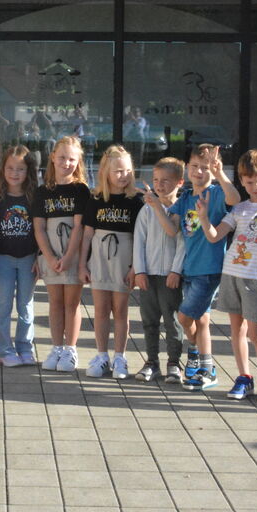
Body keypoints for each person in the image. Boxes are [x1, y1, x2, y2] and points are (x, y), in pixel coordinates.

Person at [144, 144, 240, 391]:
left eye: (205, 167)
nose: (199, 171)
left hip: (209, 269)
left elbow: (235, 199)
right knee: (198, 318)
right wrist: (156, 206)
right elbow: (172, 229)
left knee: (186, 316)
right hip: (189, 269)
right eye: (195, 166)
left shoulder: (215, 193)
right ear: (187, 168)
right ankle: (200, 361)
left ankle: (203, 362)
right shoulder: (186, 197)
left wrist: (219, 173)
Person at [198, 150, 257, 404]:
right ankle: (244, 377)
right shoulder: (239, 208)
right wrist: (204, 217)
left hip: (256, 277)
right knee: (236, 330)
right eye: (249, 182)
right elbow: (215, 236)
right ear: (242, 181)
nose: (256, 187)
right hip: (232, 273)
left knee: (256, 334)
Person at [80, 145, 143, 380]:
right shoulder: (96, 199)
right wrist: (82, 264)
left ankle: (120, 357)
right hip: (99, 262)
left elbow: (140, 238)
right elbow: (87, 235)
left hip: (123, 263)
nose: (123, 175)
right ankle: (101, 355)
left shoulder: (136, 201)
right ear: (106, 172)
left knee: (121, 311)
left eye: (127, 170)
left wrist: (136, 268)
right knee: (100, 310)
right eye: (117, 171)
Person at [34, 136, 90, 373]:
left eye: (72, 159)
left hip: (72, 256)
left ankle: (70, 349)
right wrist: (49, 257)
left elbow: (79, 227)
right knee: (55, 303)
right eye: (62, 158)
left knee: (71, 303)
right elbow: (39, 228)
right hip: (50, 255)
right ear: (52, 158)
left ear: (78, 162)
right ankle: (56, 347)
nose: (67, 163)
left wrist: (68, 257)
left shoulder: (80, 190)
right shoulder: (42, 192)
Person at [132, 157, 186, 384]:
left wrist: (176, 270)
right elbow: (139, 241)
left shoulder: (182, 209)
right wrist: (140, 271)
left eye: (165, 180)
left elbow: (183, 242)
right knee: (149, 320)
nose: (159, 185)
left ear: (179, 182)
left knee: (172, 320)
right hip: (149, 274)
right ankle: (152, 362)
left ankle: (174, 362)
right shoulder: (147, 210)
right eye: (156, 180)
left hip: (170, 276)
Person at [0, 145, 40, 368]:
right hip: (4, 259)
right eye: (10, 168)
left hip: (29, 259)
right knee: (4, 305)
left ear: (28, 171)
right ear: (3, 169)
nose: (14, 173)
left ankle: (25, 347)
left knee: (25, 305)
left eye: (20, 169)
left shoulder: (34, 198)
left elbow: (41, 231)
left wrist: (40, 257)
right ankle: (5, 350)